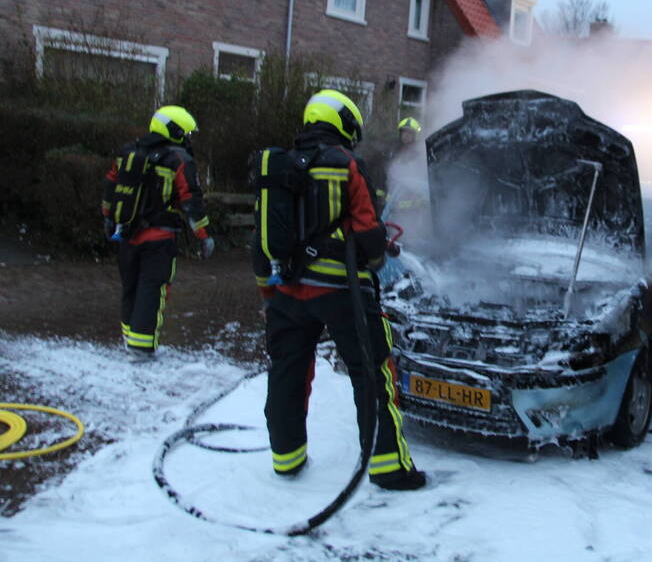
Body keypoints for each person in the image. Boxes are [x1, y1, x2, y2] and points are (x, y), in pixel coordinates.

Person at [253, 89, 426, 489]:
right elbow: (368, 229)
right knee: (372, 373)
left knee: (286, 374)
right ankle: (388, 467)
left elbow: (262, 237)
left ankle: (287, 459)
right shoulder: (345, 164)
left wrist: (268, 291)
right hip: (342, 291)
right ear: (343, 124)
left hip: (287, 292)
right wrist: (379, 261)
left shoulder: (276, 165)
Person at [101, 105, 214, 358]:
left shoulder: (127, 152)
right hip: (160, 239)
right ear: (173, 130)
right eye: (184, 133)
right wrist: (203, 236)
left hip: (127, 234)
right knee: (152, 290)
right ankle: (142, 349)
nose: (187, 139)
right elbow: (191, 200)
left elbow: (110, 187)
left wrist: (108, 220)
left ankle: (129, 341)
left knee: (130, 287)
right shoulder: (179, 159)